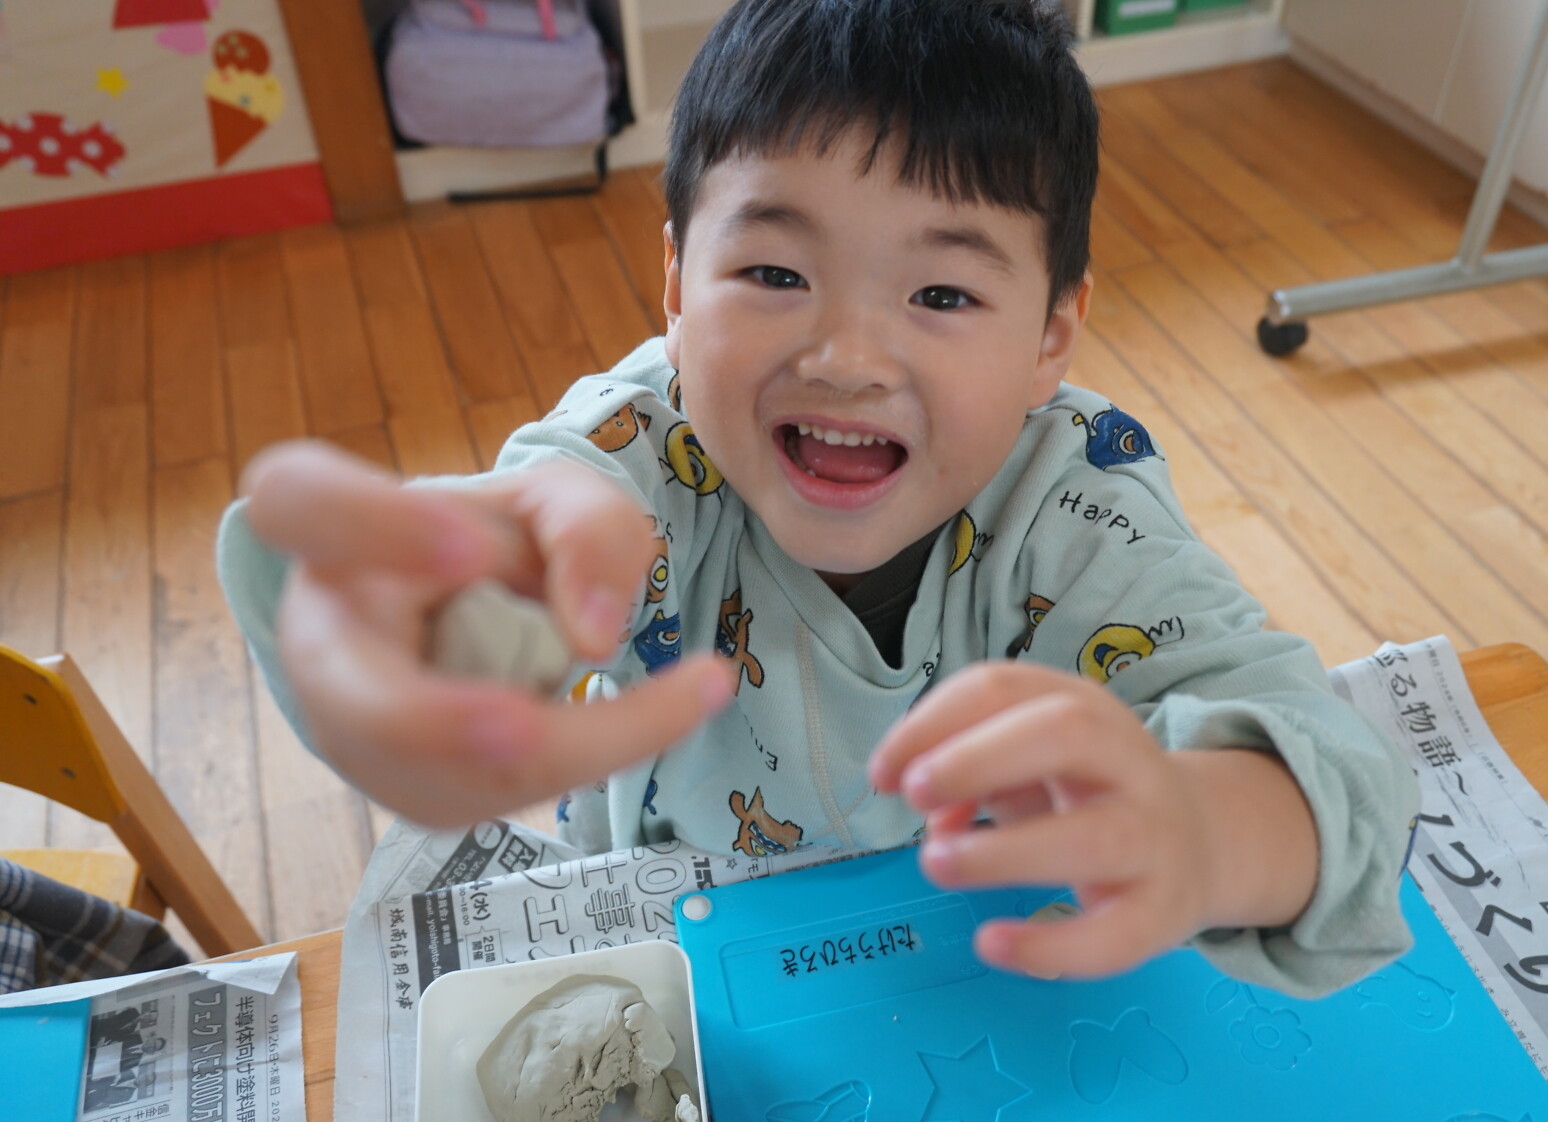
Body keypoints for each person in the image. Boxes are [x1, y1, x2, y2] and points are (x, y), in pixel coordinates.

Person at [218, 0, 1418, 997]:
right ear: (677, 284)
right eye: (775, 271)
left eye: (941, 295)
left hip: (972, 967)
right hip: (692, 963)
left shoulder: (1077, 500)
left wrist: (1206, 826)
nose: (847, 357)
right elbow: (533, 517)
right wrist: (427, 612)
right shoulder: (646, 450)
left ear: (1053, 334)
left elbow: (1337, 774)